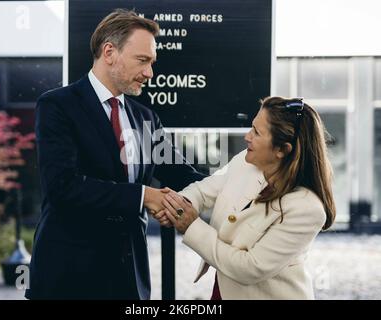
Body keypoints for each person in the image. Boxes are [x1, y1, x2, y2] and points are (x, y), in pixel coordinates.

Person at [25, 9, 205, 300]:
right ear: (109, 52)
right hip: (68, 280)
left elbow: (181, 174)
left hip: (128, 280)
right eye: (142, 60)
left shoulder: (146, 117)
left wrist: (243, 183)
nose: (150, 73)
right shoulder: (57, 106)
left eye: (152, 62)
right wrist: (144, 196)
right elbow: (62, 187)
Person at [154, 96, 336, 299]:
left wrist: (190, 225)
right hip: (224, 290)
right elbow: (203, 191)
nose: (247, 137)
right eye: (252, 127)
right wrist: (173, 206)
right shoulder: (246, 160)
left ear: (282, 150)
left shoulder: (307, 209)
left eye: (257, 133)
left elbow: (249, 268)